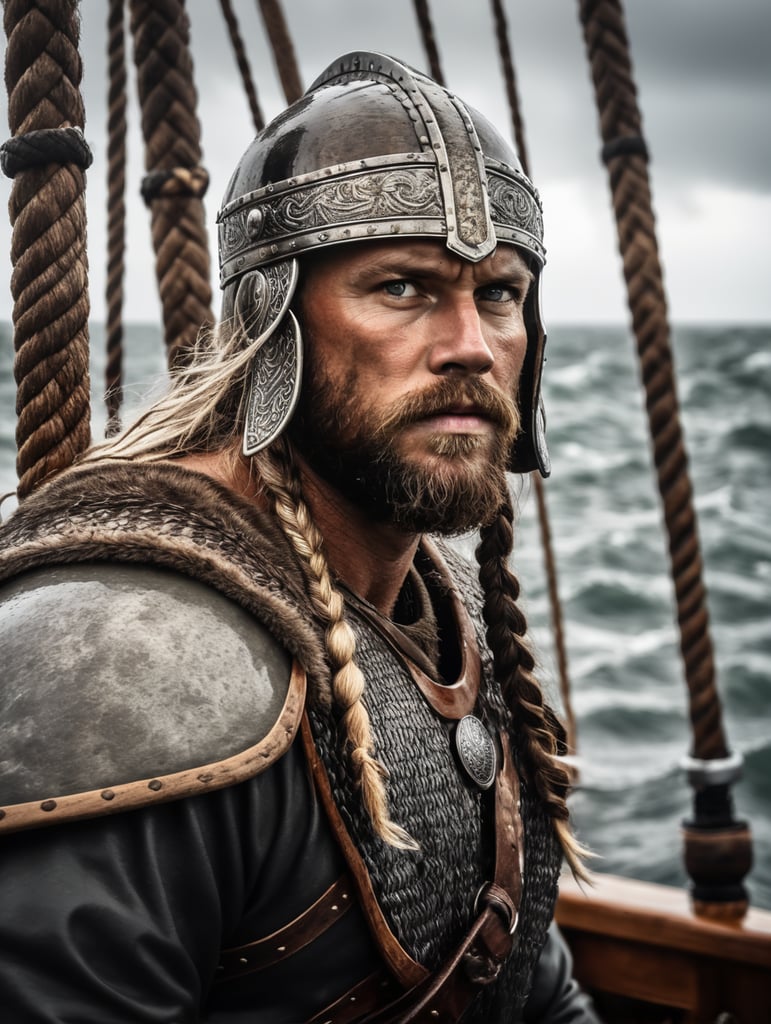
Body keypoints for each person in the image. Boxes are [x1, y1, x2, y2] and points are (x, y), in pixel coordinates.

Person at [0, 52, 599, 1023]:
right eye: (403, 287)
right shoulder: (124, 659)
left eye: (498, 292)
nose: (472, 345)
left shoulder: (437, 608)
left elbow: (533, 980)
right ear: (274, 321)